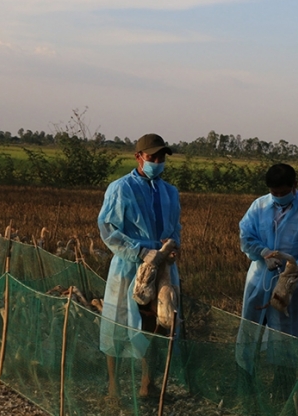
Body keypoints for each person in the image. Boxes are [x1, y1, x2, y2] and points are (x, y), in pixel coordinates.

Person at [97, 133, 181, 400]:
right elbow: (109, 229)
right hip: (128, 266)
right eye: (152, 157)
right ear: (139, 157)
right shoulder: (121, 188)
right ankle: (113, 387)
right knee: (118, 323)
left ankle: (148, 384)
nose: (157, 161)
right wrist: (142, 251)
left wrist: (172, 245)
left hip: (163, 267)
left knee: (157, 323)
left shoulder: (169, 192)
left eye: (161, 157)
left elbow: (175, 227)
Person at [236, 163, 298, 398]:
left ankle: (282, 383)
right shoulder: (259, 206)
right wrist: (263, 252)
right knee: (251, 326)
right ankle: (245, 377)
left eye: (282, 192)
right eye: (273, 193)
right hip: (260, 276)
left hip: (292, 283)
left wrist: (297, 271)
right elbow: (246, 235)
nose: (277, 197)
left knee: (286, 331)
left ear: (294, 186)